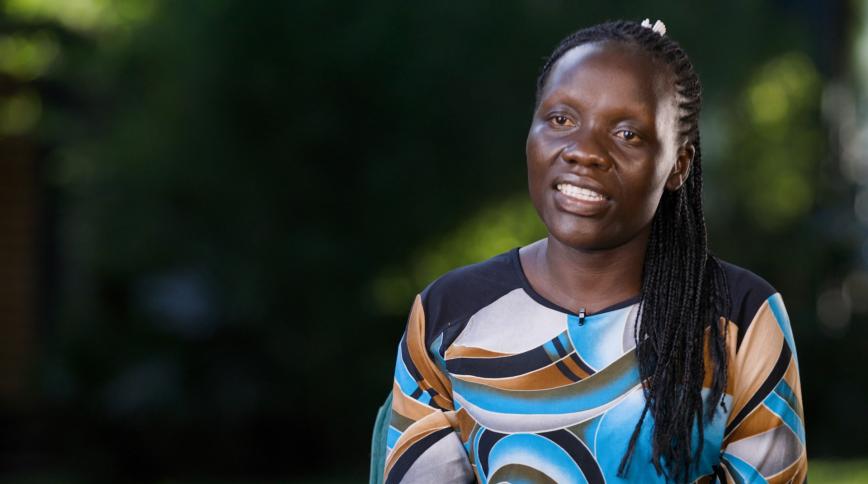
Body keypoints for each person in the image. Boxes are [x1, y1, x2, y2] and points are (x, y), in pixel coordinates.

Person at [380, 19, 807, 483]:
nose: (585, 151)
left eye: (628, 134)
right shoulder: (448, 314)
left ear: (678, 166)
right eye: (561, 120)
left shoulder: (742, 316)